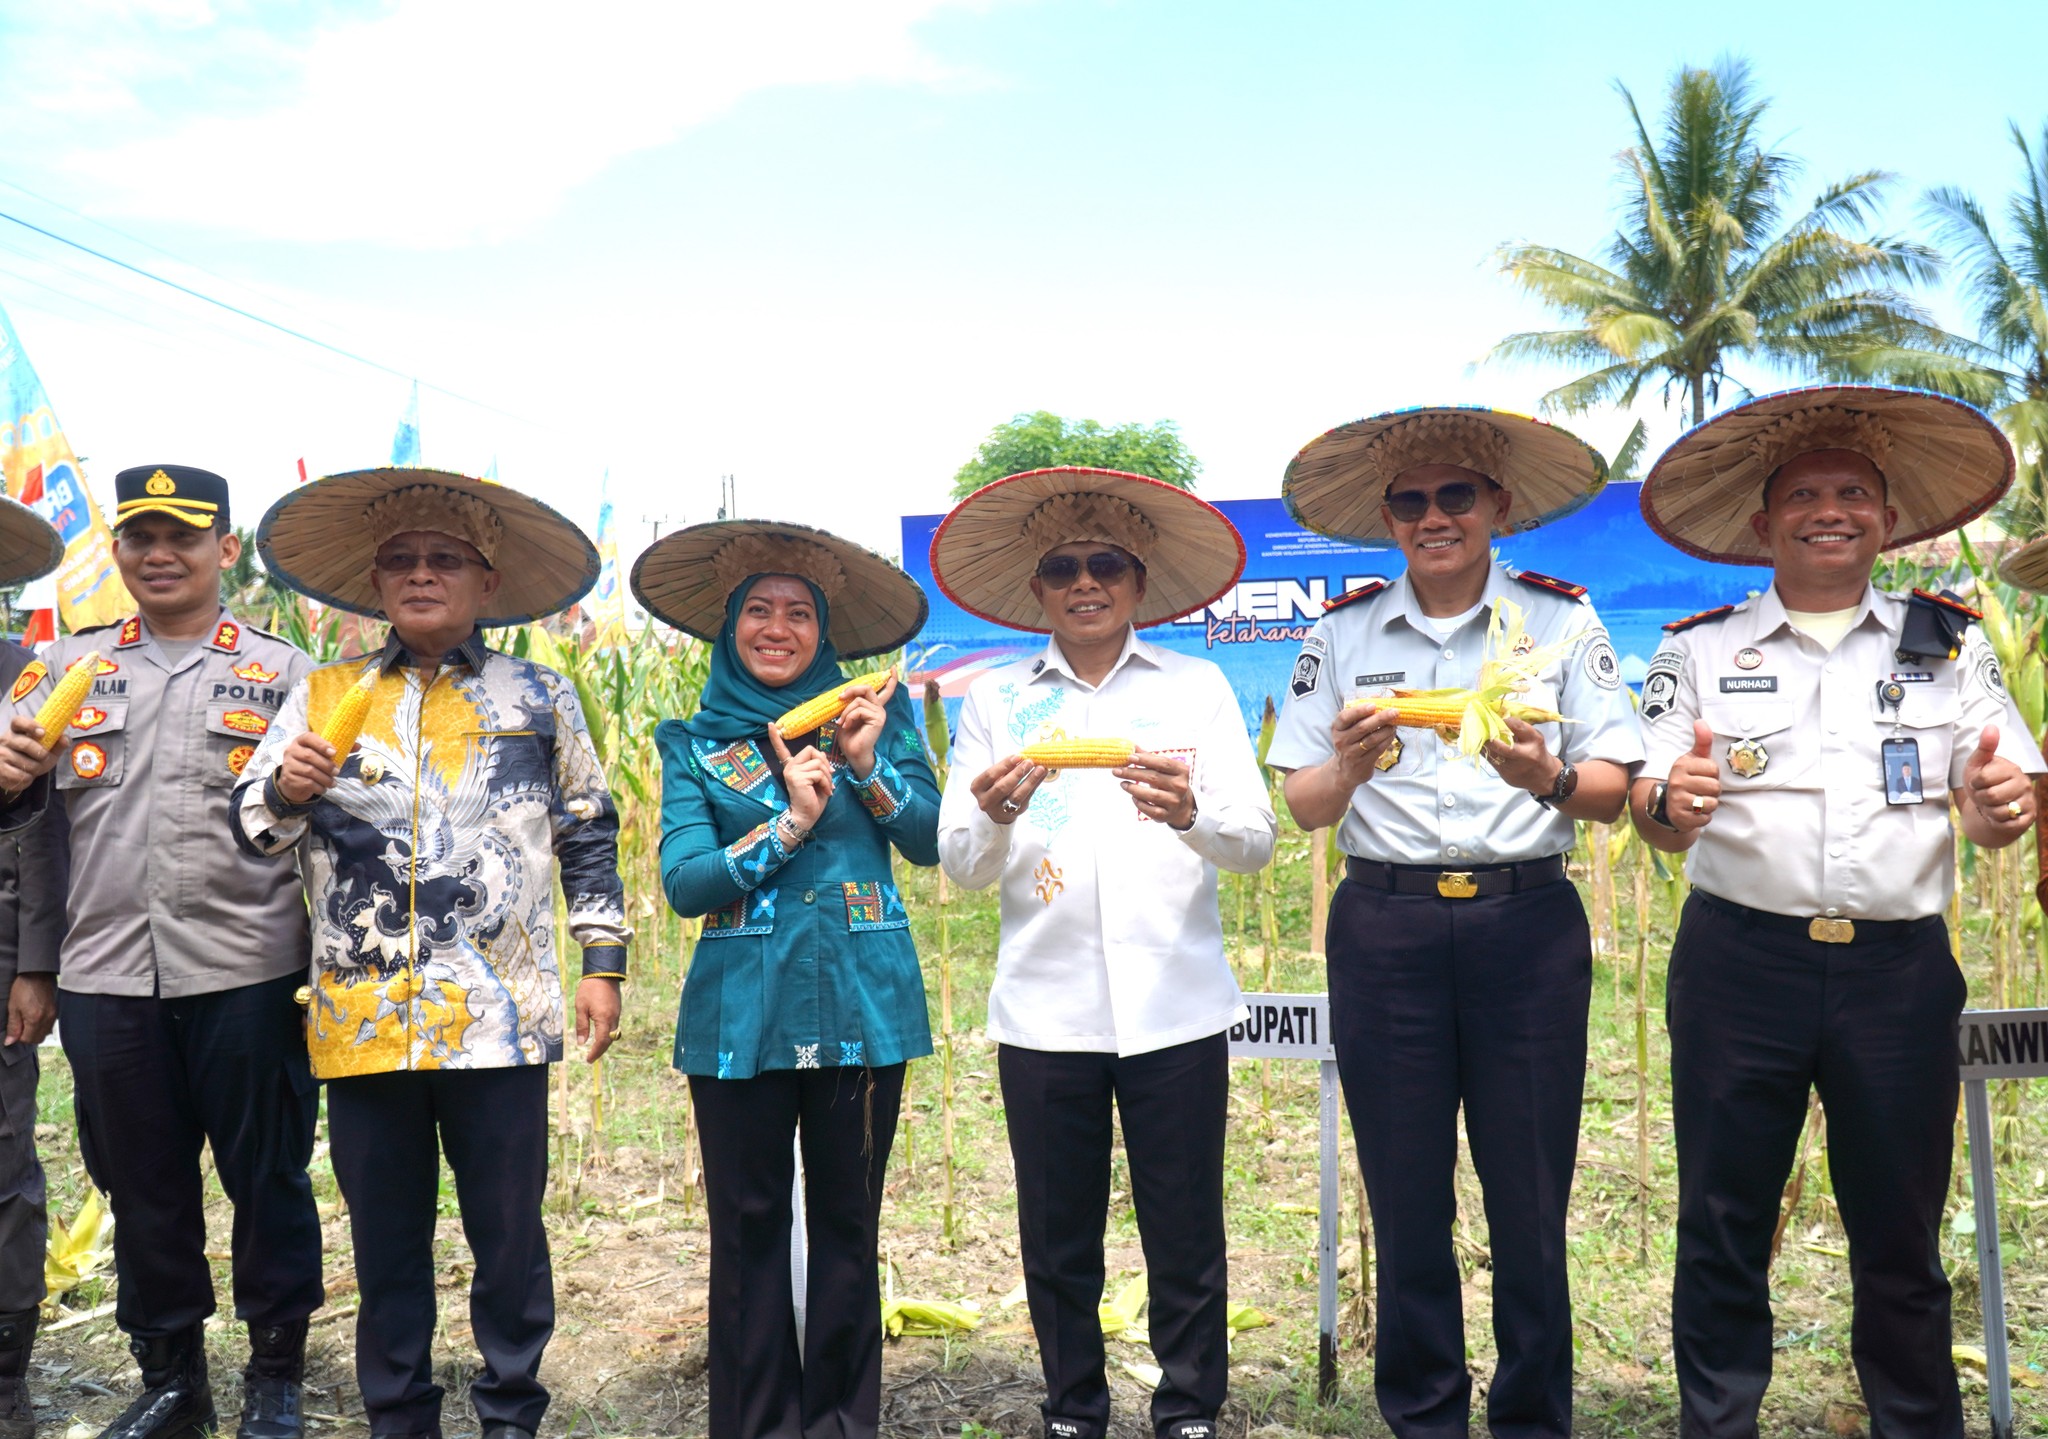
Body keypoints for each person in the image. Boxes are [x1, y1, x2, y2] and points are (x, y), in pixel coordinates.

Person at [1631, 386, 2044, 1439]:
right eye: (1803, 494)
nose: (1830, 509)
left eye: (1853, 492)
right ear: (1762, 525)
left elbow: (1996, 807)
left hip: (1896, 973)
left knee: (1897, 1232)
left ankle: (1915, 1423)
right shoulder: (1698, 648)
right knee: (1720, 1222)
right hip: (1737, 966)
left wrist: (2000, 808)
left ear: (1888, 520)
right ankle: (1716, 1422)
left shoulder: (1947, 644)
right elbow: (1651, 806)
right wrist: (1665, 804)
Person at [230, 469, 629, 1439]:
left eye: (442, 558)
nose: (420, 574)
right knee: (387, 1244)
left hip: (501, 1015)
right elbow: (251, 828)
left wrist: (602, 960)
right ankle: (399, 1413)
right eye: (401, 560)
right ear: (376, 582)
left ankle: (509, 1410)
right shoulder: (322, 695)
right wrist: (286, 787)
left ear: (484, 581)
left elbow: (587, 827)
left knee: (506, 1236)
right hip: (364, 1020)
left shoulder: (538, 694)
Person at [1267, 407, 1641, 1439]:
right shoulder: (1338, 633)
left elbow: (1611, 788)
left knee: (1527, 1192)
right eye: (1410, 501)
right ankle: (1423, 1412)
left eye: (1454, 496)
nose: (1433, 516)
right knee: (1403, 1190)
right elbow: (1300, 802)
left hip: (1524, 925)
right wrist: (1346, 764)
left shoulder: (1560, 622)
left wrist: (1546, 773)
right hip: (1383, 925)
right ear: (1388, 519)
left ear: (1496, 508)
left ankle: (1530, 1415)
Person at [932, 468, 1275, 1439]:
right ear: (1037, 588)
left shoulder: (1195, 687)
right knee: (1056, 1236)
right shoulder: (1000, 704)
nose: (1085, 582)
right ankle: (1072, 1407)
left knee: (1183, 1229)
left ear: (1136, 579)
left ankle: (1188, 1408)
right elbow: (959, 864)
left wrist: (1192, 812)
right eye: (1062, 567)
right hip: (1045, 1011)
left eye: (1105, 564)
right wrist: (993, 813)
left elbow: (1254, 841)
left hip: (1175, 1003)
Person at [0, 465, 322, 1439]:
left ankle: (275, 1374)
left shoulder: (285, 672)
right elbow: (39, 835)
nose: (160, 553)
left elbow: (328, 830)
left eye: (183, 536)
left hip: (250, 968)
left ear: (225, 549)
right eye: (140, 536)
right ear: (120, 551)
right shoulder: (69, 669)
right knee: (139, 1183)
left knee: (267, 1176)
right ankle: (172, 1374)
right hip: (106, 974)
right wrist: (38, 959)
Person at [632, 519, 936, 1439]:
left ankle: (842, 1424)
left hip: (863, 1007)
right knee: (750, 1234)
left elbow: (928, 842)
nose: (778, 626)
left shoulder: (879, 717)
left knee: (849, 1230)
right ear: (729, 629)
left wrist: (867, 767)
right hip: (740, 1018)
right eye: (757, 610)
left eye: (799, 612)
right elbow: (686, 883)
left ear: (825, 630)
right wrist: (789, 827)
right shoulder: (692, 743)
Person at [0, 497, 66, 1438]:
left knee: (4, 1164)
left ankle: (5, 1371)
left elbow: (45, 836)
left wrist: (37, 961)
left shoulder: (25, 678)